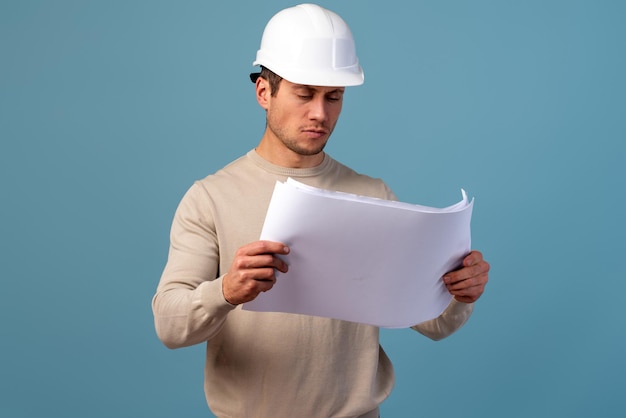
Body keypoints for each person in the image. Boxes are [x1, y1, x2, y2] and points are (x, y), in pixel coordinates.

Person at [152, 4, 490, 417]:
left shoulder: (372, 194)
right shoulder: (210, 198)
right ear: (263, 92)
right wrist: (225, 291)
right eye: (304, 93)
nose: (320, 113)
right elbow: (169, 325)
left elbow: (433, 324)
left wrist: (460, 293)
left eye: (334, 97)